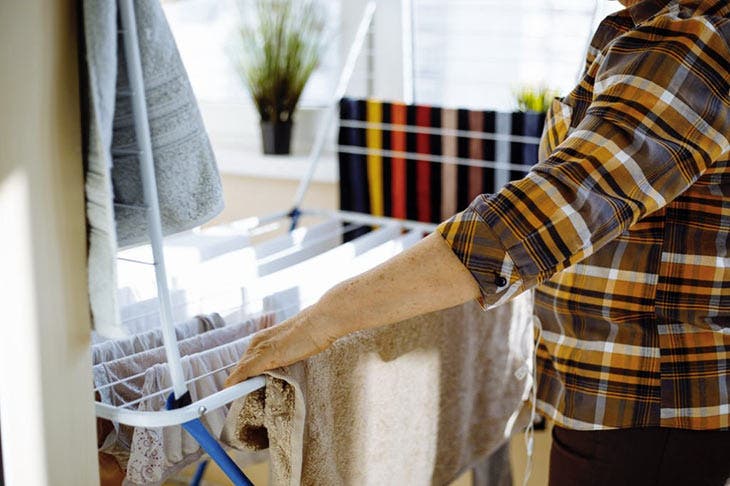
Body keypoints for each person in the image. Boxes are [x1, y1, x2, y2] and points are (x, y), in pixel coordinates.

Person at [225, 0, 730, 483]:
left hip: (645, 412)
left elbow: (533, 220)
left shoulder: (691, 45)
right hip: (633, 405)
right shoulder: (656, 31)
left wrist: (324, 319)